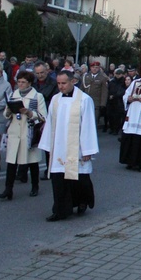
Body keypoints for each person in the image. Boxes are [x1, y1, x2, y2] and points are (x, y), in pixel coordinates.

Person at [38, 70, 99, 221]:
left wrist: (87, 149)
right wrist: (47, 145)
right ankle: (60, 210)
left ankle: (83, 201)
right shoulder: (55, 100)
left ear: (73, 81)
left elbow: (89, 125)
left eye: (64, 83)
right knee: (59, 179)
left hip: (76, 147)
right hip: (59, 146)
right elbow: (50, 122)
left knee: (79, 179)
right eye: (58, 83)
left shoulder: (84, 100)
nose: (61, 87)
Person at [0, 71, 47, 200]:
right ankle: (8, 189)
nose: (20, 84)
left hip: (29, 132)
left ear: (29, 83)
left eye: (23, 82)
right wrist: (8, 110)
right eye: (18, 82)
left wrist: (30, 113)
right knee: (11, 162)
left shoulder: (37, 96)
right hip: (14, 132)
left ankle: (35, 186)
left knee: (32, 162)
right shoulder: (13, 95)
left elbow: (43, 116)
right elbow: (6, 115)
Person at [83, 61, 109, 131]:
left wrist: (103, 103)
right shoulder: (86, 76)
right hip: (85, 102)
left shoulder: (102, 78)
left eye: (96, 67)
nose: (94, 69)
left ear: (99, 68)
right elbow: (81, 89)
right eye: (93, 67)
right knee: (85, 119)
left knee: (94, 119)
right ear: (90, 68)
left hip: (96, 102)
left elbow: (104, 92)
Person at [106, 68, 127, 135]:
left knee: (117, 117)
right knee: (110, 115)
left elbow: (123, 91)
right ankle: (112, 128)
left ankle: (116, 129)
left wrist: (115, 96)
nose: (118, 75)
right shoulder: (112, 81)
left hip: (119, 101)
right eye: (117, 74)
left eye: (119, 74)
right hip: (111, 101)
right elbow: (108, 89)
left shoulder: (123, 82)